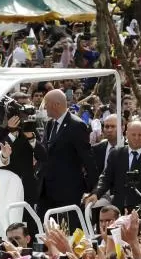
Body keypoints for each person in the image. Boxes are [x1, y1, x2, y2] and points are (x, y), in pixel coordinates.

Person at [38, 89, 97, 221]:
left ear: (55, 104)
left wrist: (94, 190)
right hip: (47, 189)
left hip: (68, 191)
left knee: (69, 229)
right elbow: (45, 151)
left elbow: (87, 158)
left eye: (46, 104)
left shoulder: (76, 125)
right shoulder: (50, 124)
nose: (45, 107)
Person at [85, 120, 141, 210]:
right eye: (133, 135)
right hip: (118, 208)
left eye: (140, 135)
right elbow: (106, 178)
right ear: (127, 134)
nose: (136, 138)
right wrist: (96, 193)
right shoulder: (116, 154)